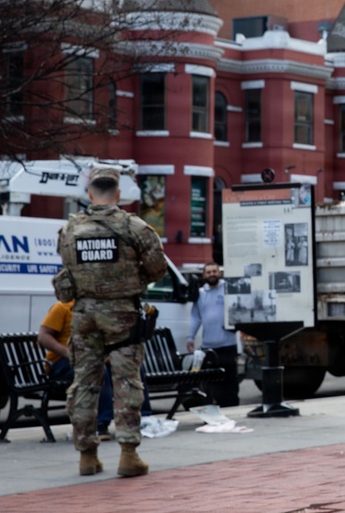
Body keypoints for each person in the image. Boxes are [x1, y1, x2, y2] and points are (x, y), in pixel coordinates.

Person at [56, 165, 167, 477]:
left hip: (84, 314)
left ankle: (87, 456)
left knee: (84, 383)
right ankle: (128, 454)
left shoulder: (69, 230)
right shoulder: (135, 227)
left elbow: (68, 268)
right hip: (122, 315)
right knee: (126, 381)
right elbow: (158, 268)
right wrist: (132, 278)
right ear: (118, 194)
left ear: (90, 194)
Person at [37, 300, 146, 442]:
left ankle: (144, 418)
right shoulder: (62, 307)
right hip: (62, 362)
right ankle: (100, 424)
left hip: (91, 357)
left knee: (129, 365)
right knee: (97, 369)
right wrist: (68, 352)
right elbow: (43, 336)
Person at [187, 262, 240, 407]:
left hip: (228, 344)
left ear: (219, 273)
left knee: (230, 380)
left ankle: (232, 407)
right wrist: (190, 337)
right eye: (209, 272)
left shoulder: (228, 290)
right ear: (204, 275)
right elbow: (195, 317)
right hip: (209, 346)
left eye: (214, 271)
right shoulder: (200, 294)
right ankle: (216, 408)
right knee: (211, 382)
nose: (212, 274)